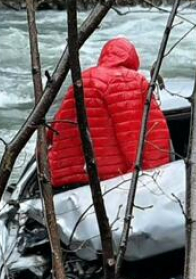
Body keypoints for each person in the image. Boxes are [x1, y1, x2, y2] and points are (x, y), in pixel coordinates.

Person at [47, 37, 171, 189]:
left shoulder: (83, 78)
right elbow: (133, 135)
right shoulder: (132, 81)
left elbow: (55, 128)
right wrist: (149, 175)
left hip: (69, 178)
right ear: (133, 58)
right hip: (110, 180)